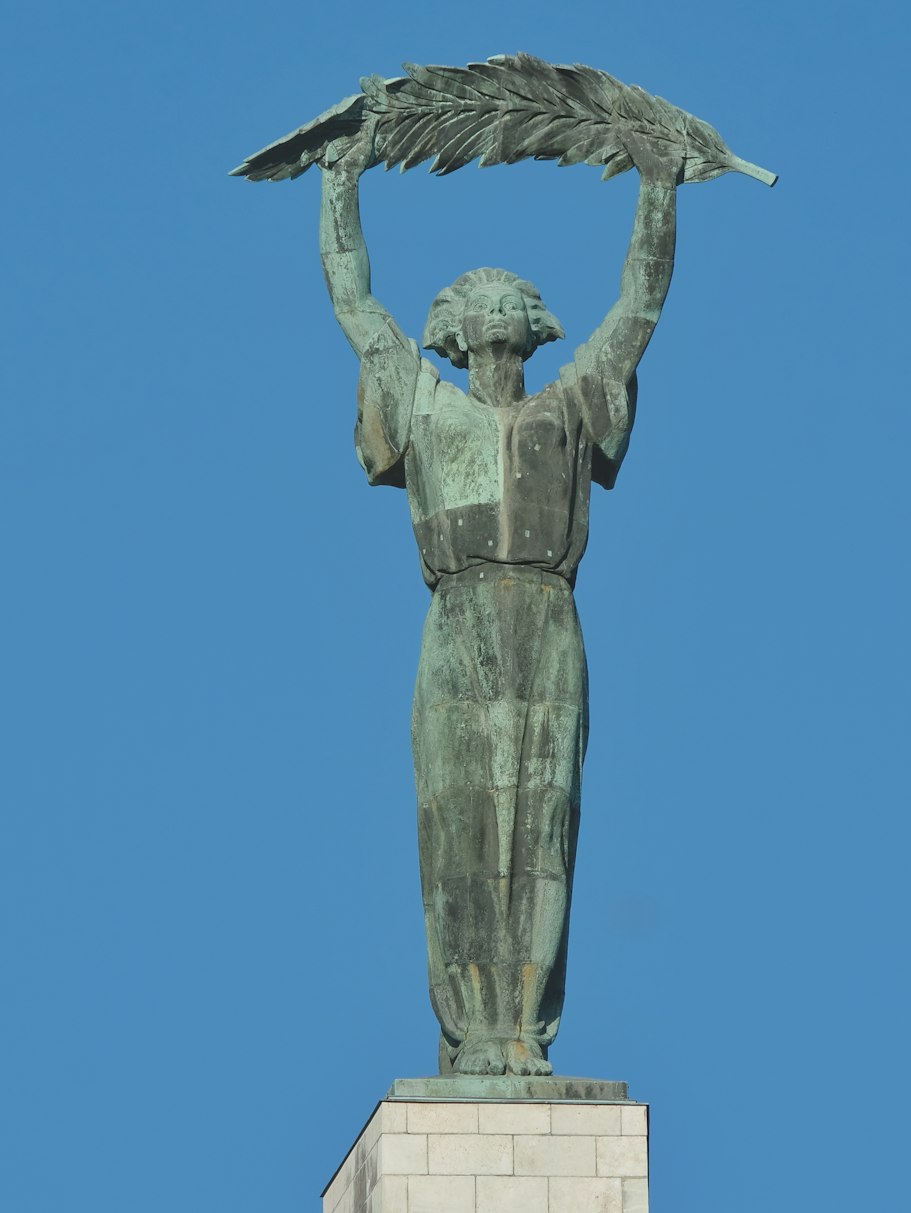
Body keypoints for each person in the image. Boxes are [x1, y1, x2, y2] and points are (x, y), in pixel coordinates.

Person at [320, 127, 679, 1076]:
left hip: (550, 620)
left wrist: (658, 185)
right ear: (453, 327)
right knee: (461, 828)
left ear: (531, 320)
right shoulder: (425, 404)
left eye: (509, 293)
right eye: (479, 295)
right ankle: (472, 1027)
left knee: (543, 815)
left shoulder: (569, 407)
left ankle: (522, 1024)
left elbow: (640, 308)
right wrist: (341, 182)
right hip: (460, 620)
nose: (496, 299)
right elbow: (354, 303)